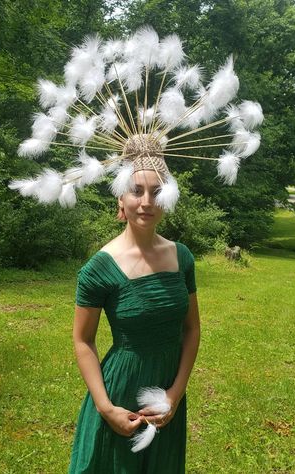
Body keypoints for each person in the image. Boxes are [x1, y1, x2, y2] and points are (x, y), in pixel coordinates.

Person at [68, 164, 200, 473]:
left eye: (156, 192)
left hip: (167, 388)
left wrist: (175, 395)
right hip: (120, 393)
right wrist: (106, 408)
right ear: (120, 200)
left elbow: (192, 329)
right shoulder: (99, 269)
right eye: (136, 191)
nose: (146, 202)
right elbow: (82, 340)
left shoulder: (182, 257)